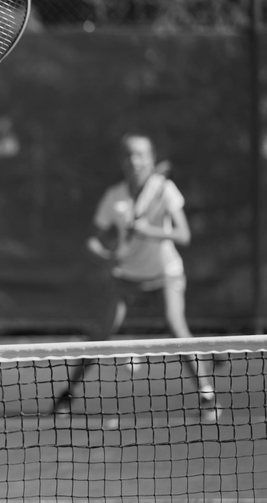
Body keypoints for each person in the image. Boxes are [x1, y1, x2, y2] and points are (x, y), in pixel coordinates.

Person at [53, 132, 221, 423]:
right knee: (101, 333)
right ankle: (68, 393)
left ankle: (207, 395)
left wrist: (149, 231)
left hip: (166, 272)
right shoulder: (114, 197)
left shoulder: (165, 189)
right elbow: (92, 241)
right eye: (129, 155)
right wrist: (107, 256)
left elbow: (183, 235)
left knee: (176, 326)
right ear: (122, 161)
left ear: (151, 160)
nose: (135, 160)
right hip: (126, 276)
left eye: (141, 154)